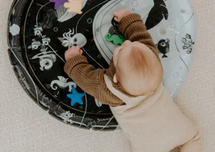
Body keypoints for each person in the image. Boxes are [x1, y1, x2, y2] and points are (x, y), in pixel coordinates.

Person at [64, 8, 202, 152]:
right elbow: (140, 36)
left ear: (115, 78)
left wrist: (74, 61)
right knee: (193, 138)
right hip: (179, 132)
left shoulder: (110, 90)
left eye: (121, 49)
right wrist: (127, 19)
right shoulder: (151, 57)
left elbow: (85, 78)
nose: (127, 42)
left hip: (150, 147)